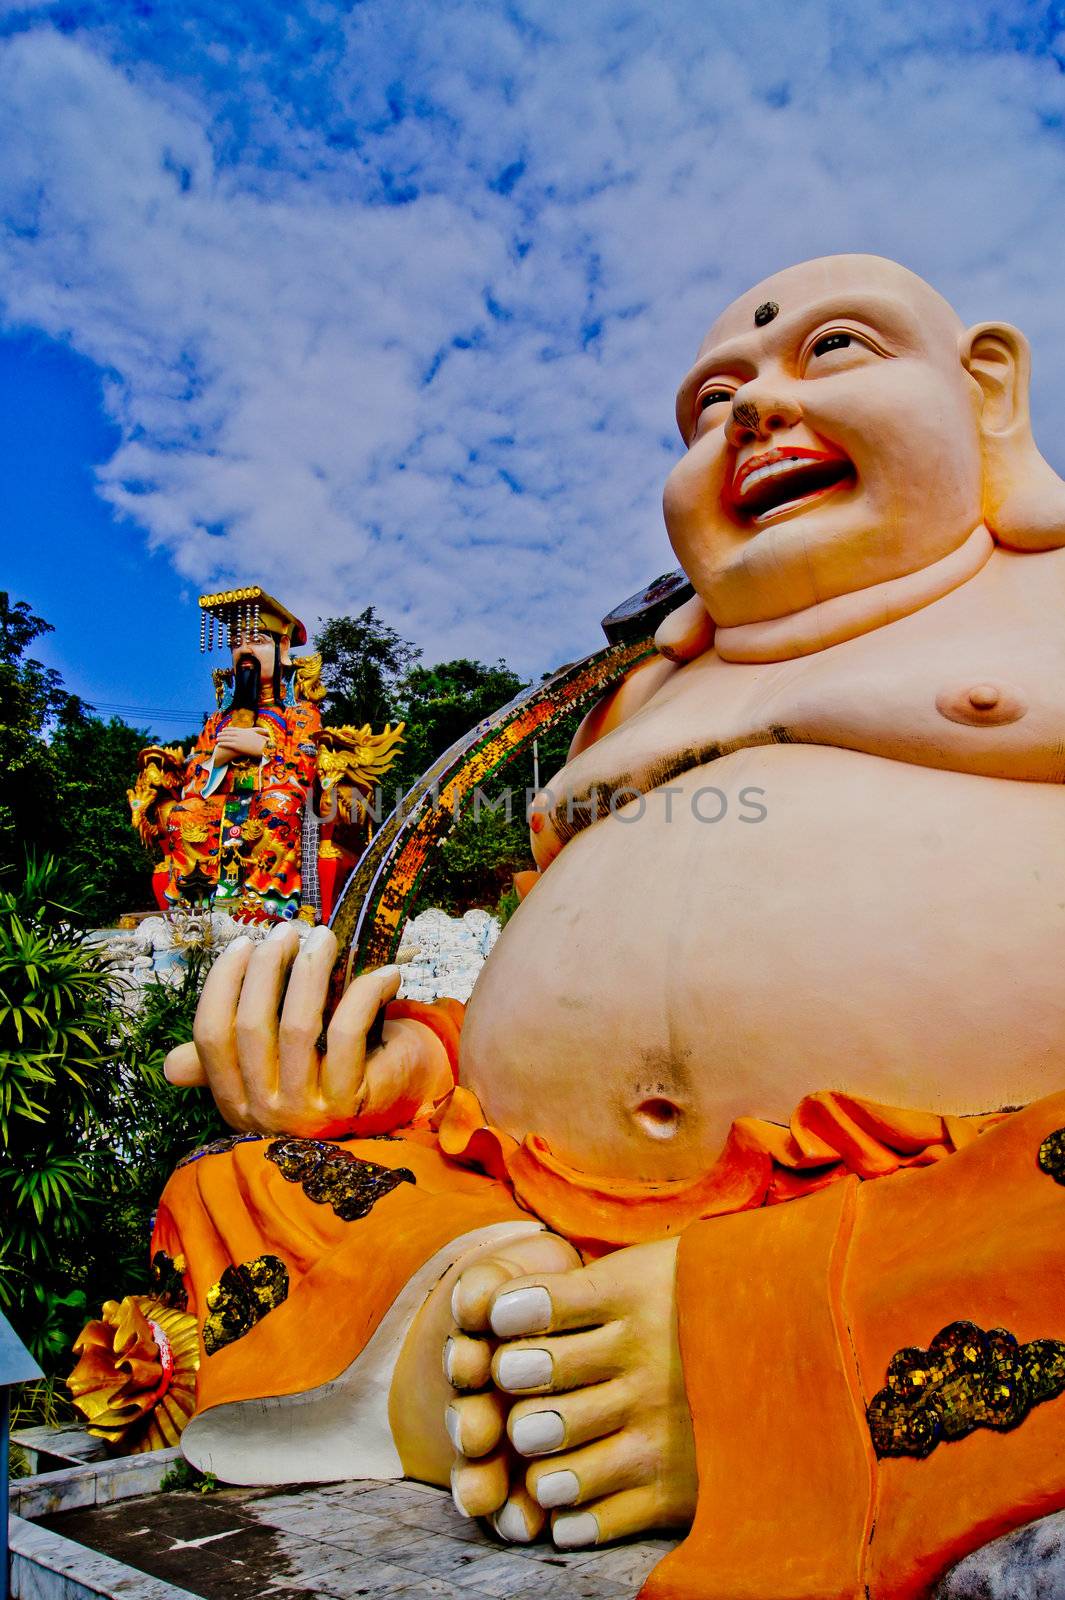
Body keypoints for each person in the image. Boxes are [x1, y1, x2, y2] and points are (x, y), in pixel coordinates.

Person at [157, 255, 1065, 1599]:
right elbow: (559, 981)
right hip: (558, 1194)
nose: (751, 411)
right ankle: (495, 1322)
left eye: (830, 352)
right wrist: (395, 1067)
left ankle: (773, 1350)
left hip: (965, 1182)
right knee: (234, 1186)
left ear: (986, 390)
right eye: (709, 405)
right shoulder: (630, 709)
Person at [162, 589, 321, 921]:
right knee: (181, 814)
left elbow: (304, 770)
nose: (245, 650)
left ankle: (268, 904)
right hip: (220, 801)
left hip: (271, 797)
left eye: (258, 640)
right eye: (236, 643)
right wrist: (217, 760)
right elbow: (191, 779)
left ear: (284, 647)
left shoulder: (300, 713)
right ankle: (195, 906)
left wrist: (264, 752)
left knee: (280, 805)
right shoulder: (218, 720)